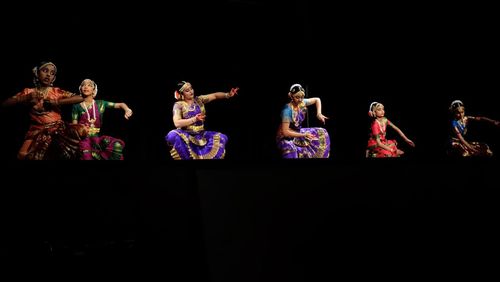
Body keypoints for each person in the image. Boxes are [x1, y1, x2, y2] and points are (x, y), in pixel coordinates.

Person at [1, 61, 86, 160]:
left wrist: (56, 102)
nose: (48, 75)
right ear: (37, 73)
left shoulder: (56, 91)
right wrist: (25, 98)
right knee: (22, 155)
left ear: (53, 78)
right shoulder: (28, 92)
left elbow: (80, 98)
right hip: (36, 130)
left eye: (52, 73)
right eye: (45, 71)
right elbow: (5, 103)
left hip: (56, 128)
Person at [165, 81, 238, 160]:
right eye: (187, 90)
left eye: (191, 89)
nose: (191, 91)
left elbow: (215, 96)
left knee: (222, 137)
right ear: (181, 94)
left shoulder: (199, 100)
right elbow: (177, 123)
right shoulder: (178, 105)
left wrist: (228, 95)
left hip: (201, 134)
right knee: (172, 135)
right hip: (187, 135)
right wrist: (195, 119)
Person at [71, 79, 133, 160]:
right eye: (83, 85)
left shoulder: (101, 104)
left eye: (89, 85)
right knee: (86, 156)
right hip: (84, 140)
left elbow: (121, 104)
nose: (86, 87)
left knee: (117, 145)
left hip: (97, 138)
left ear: (94, 90)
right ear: (80, 89)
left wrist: (127, 109)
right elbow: (74, 126)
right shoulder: (76, 107)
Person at [276, 83, 330, 158]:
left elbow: (317, 99)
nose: (300, 99)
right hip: (285, 137)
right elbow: (285, 132)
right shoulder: (287, 110)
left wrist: (319, 113)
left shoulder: (302, 102)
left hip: (297, 132)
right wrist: (304, 135)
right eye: (297, 97)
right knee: (292, 151)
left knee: (321, 132)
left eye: (302, 97)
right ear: (291, 96)